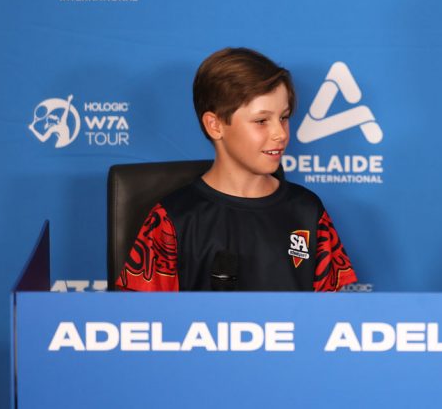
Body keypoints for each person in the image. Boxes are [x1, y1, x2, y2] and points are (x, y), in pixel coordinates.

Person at [116, 48, 357, 291]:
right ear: (215, 125)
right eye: (261, 121)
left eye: (283, 117)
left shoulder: (308, 211)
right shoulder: (171, 220)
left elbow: (335, 319)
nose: (280, 133)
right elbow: (141, 321)